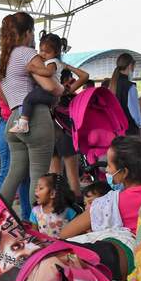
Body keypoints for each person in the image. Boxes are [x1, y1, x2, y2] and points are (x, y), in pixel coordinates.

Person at [0, 12, 64, 218]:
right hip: (36, 118)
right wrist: (59, 88)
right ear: (27, 32)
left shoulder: (5, 58)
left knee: (13, 174)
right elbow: (51, 86)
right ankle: (38, 229)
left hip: (13, 119)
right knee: (39, 179)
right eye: (33, 31)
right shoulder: (27, 53)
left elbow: (0, 92)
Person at [60, 136, 141, 238]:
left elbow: (65, 233)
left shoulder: (110, 203)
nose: (107, 170)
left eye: (109, 165)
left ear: (124, 172)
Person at [8, 33, 68, 134]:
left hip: (49, 93)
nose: (43, 54)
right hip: (50, 95)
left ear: (56, 52)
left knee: (28, 99)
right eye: (41, 51)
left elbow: (48, 73)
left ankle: (23, 124)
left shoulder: (52, 62)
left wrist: (33, 69)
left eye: (47, 52)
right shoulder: (49, 60)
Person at [49, 64, 90, 200]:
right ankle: (76, 203)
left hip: (52, 133)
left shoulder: (50, 90)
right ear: (66, 79)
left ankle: (55, 205)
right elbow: (85, 76)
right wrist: (66, 66)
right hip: (66, 135)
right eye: (70, 79)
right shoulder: (66, 91)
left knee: (55, 175)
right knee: (72, 175)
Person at [29, 173, 77, 238]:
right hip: (45, 246)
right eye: (36, 187)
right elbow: (34, 233)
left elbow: (77, 230)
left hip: (64, 246)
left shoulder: (67, 211)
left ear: (52, 194)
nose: (35, 190)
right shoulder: (35, 211)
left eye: (40, 188)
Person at [108, 53, 141, 135]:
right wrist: (140, 126)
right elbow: (135, 115)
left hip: (116, 130)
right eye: (134, 67)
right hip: (129, 131)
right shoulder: (130, 86)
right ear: (130, 66)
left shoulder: (111, 85)